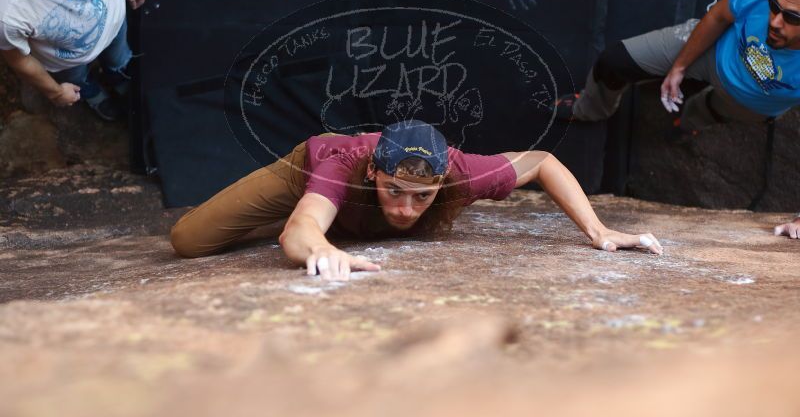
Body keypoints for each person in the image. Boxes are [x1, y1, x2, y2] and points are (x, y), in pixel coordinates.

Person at [170, 120, 663, 281]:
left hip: (343, 206)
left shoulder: (464, 172)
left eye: (422, 197)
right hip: (309, 176)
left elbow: (540, 161)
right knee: (189, 240)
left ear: (444, 179)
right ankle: (328, 220)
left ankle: (334, 223)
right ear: (373, 172)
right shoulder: (343, 163)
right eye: (394, 192)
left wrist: (598, 231)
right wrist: (317, 247)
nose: (406, 208)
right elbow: (298, 231)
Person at [556, 0, 800, 240]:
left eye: (792, 17)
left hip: (752, 101)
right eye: (774, 7)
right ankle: (590, 108)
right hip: (715, 51)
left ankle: (689, 124)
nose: (775, 22)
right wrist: (680, 67)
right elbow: (719, 17)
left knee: (707, 110)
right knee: (614, 61)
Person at [0, 0, 146, 121]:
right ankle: (92, 93)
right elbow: (19, 59)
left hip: (113, 20)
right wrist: (56, 92)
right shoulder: (8, 11)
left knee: (119, 60)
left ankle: (118, 76)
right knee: (79, 82)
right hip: (67, 62)